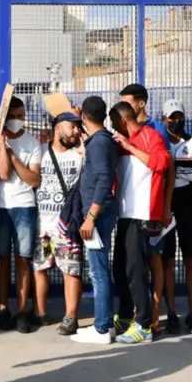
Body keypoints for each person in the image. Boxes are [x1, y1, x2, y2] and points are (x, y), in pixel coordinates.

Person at [109, 101, 171, 344]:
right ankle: (125, 316)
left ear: (124, 121)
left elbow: (162, 164)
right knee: (120, 269)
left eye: (114, 123)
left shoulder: (151, 136)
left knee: (136, 270)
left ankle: (144, 325)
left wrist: (129, 147)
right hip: (125, 214)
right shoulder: (119, 142)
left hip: (143, 213)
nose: (113, 128)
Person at [70, 96, 120, 344]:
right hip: (100, 213)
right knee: (99, 271)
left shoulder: (99, 144)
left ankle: (101, 328)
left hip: (97, 215)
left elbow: (102, 179)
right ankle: (106, 323)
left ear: (85, 117)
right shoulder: (102, 140)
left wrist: (90, 217)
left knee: (99, 273)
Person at [162, 99, 192, 334]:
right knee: (167, 263)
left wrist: (176, 167)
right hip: (166, 205)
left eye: (180, 116)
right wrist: (186, 167)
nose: (176, 121)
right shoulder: (159, 142)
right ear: (164, 119)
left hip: (189, 203)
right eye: (172, 117)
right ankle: (171, 313)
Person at [33, 111, 84, 334]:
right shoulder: (41, 152)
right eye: (71, 127)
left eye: (77, 127)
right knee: (39, 268)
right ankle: (40, 313)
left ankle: (70, 317)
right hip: (41, 223)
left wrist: (85, 148)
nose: (75, 131)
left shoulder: (80, 155)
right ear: (57, 129)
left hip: (65, 226)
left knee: (70, 270)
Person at [0, 96, 42, 333]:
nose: (16, 121)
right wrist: (2, 144)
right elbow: (2, 174)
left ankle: (22, 310)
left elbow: (34, 179)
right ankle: (3, 308)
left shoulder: (32, 143)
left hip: (24, 205)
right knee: (2, 259)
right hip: (0, 206)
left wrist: (13, 157)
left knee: (23, 259)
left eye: (20, 116)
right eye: (12, 116)